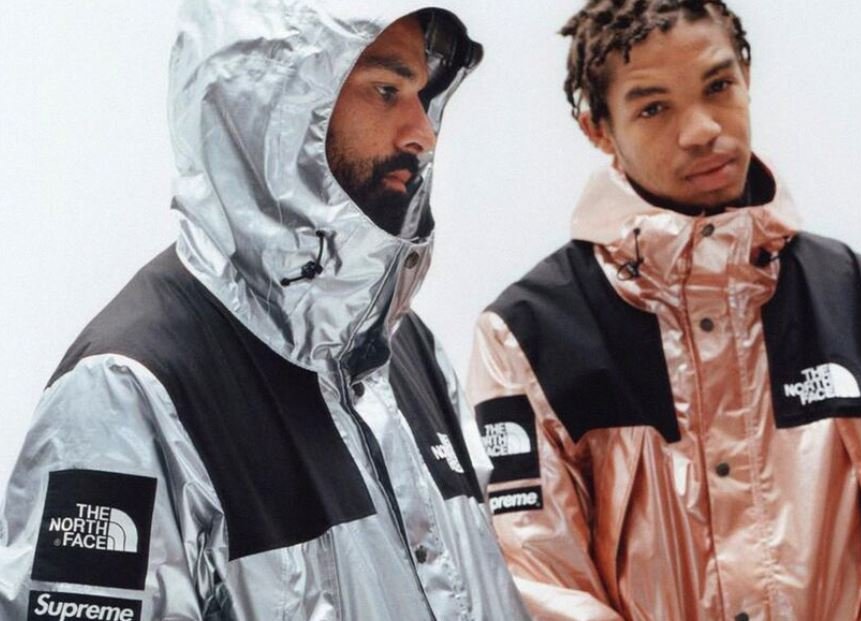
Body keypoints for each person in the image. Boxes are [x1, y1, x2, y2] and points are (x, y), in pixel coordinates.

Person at [0, 1, 530, 619]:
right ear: (274, 104)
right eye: (386, 91)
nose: (423, 133)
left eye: (422, 94)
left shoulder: (407, 350)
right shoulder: (126, 392)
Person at [467, 1, 861, 619]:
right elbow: (539, 582)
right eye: (653, 107)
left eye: (718, 87)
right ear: (597, 129)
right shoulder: (525, 336)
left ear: (747, 77)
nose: (700, 130)